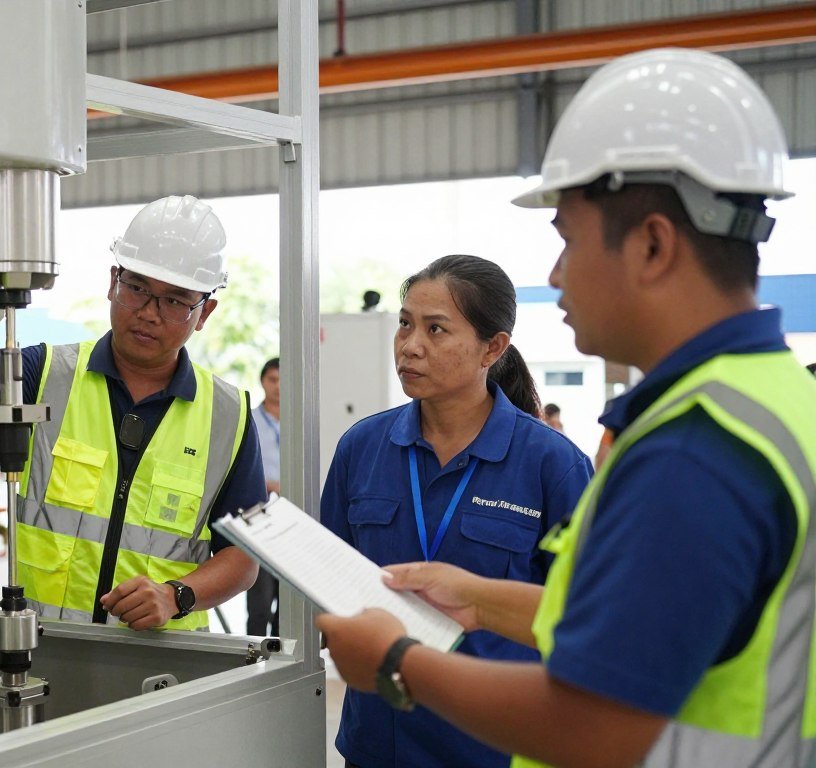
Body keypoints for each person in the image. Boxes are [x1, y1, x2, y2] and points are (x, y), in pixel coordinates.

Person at [318, 48, 816, 768]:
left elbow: (595, 728)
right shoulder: (773, 401)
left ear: (651, 244)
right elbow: (628, 629)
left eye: (568, 241)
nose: (556, 275)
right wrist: (482, 599)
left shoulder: (695, 450)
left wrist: (399, 662)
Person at [0, 194, 263, 631]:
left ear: (204, 313)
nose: (148, 313)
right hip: (45, 649)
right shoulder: (43, 372)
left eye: (175, 301)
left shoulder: (229, 415)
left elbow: (245, 556)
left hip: (168, 663)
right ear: (113, 281)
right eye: (137, 287)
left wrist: (176, 595)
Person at [322, 254, 592, 768]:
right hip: (377, 743)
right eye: (405, 324)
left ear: (493, 347)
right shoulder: (362, 447)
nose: (410, 346)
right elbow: (332, 575)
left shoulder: (552, 465)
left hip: (493, 747)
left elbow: (582, 619)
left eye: (436, 329)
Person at [246, 357, 281, 636]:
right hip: (259, 514)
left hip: (292, 518)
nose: (279, 386)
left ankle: (283, 659)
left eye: (284, 380)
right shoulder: (250, 419)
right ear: (262, 382)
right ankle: (254, 659)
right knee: (260, 598)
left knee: (288, 601)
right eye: (273, 379)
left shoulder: (300, 421)